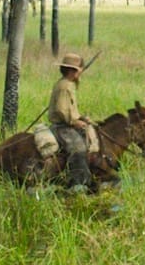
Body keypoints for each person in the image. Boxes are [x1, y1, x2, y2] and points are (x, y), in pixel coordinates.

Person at [48, 52, 92, 193]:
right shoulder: (64, 86)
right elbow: (62, 110)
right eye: (79, 71)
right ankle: (77, 182)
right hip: (62, 127)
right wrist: (74, 122)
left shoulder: (69, 85)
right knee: (78, 148)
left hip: (68, 124)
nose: (80, 73)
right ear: (72, 71)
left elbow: (71, 109)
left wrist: (82, 118)